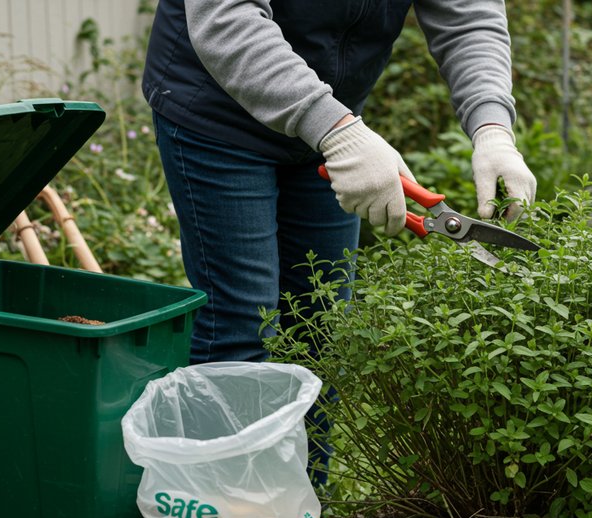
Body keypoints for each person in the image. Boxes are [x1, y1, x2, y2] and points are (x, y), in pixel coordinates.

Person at [142, 0, 537, 483]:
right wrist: (333, 128)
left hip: (333, 124)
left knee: (320, 329)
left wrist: (492, 125)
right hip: (219, 113)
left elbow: (467, 13)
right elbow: (226, 17)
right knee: (240, 327)